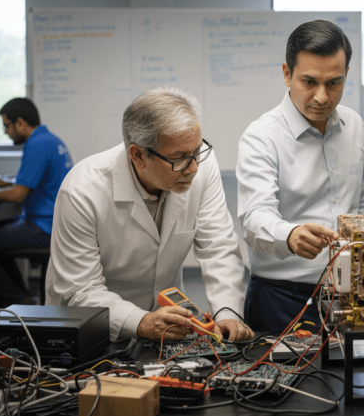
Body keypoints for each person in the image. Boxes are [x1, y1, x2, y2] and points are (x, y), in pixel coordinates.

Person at [46, 87, 252, 343]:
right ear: (138, 155)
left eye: (197, 152)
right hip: (92, 328)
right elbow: (80, 289)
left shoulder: (201, 166)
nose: (193, 168)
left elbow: (217, 247)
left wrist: (227, 313)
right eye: (179, 158)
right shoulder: (82, 190)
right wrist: (140, 321)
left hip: (165, 327)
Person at [237, 20, 364, 333]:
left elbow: (361, 202)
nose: (322, 97)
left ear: (346, 74)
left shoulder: (353, 125)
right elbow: (254, 218)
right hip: (282, 298)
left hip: (349, 293)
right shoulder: (262, 137)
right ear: (287, 74)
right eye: (309, 82)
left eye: (334, 83)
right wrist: (290, 235)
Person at [0, 98, 73, 307]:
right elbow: (41, 181)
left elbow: (16, 196)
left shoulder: (36, 145)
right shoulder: (49, 139)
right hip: (55, 222)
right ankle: (20, 294)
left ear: (20, 123)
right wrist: (6, 184)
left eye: (7, 126)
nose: (6, 132)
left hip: (44, 227)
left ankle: (13, 298)